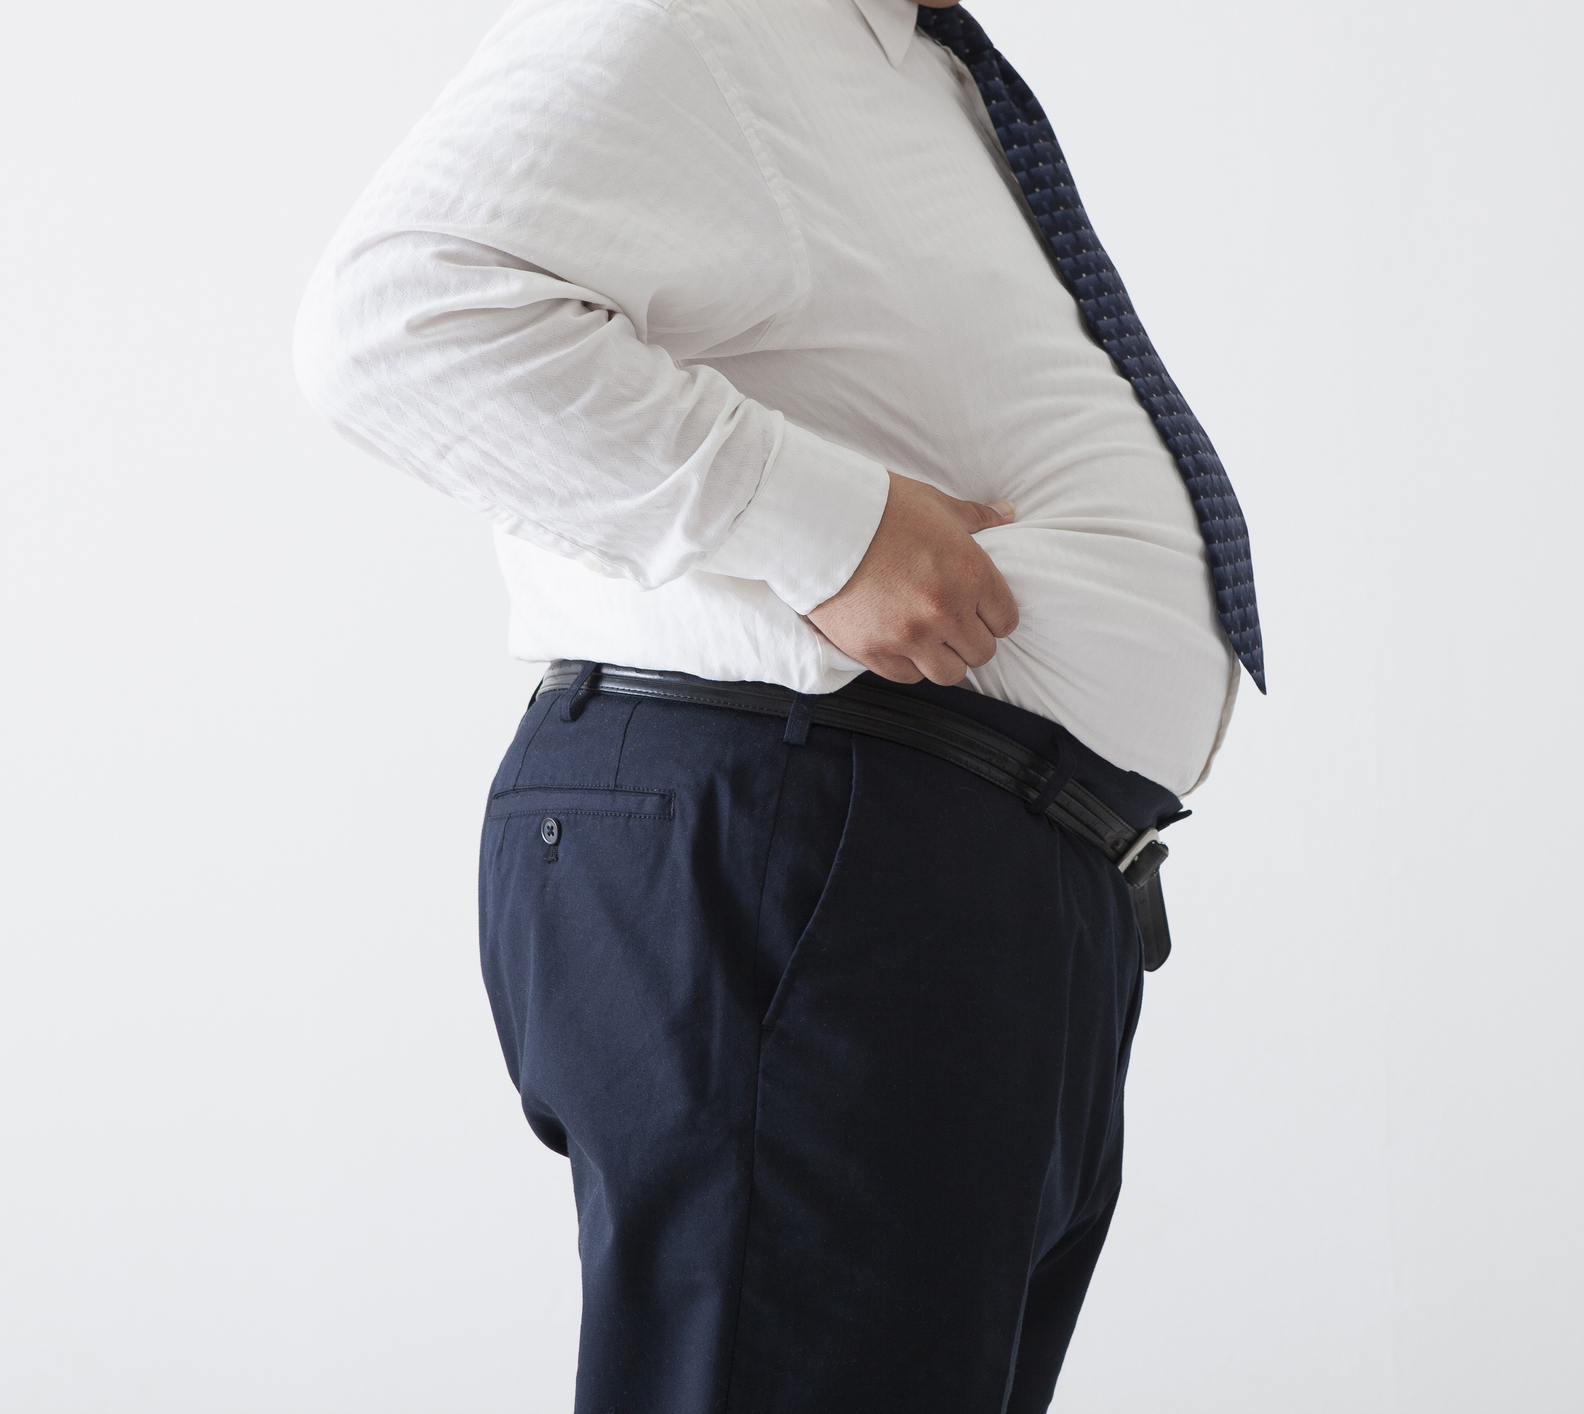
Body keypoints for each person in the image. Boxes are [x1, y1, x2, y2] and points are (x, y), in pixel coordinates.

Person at [294, 0, 1263, 1408]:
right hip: (825, 839)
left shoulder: (907, 73)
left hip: (953, 870)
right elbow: (399, 314)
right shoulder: (711, 16)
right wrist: (828, 528)